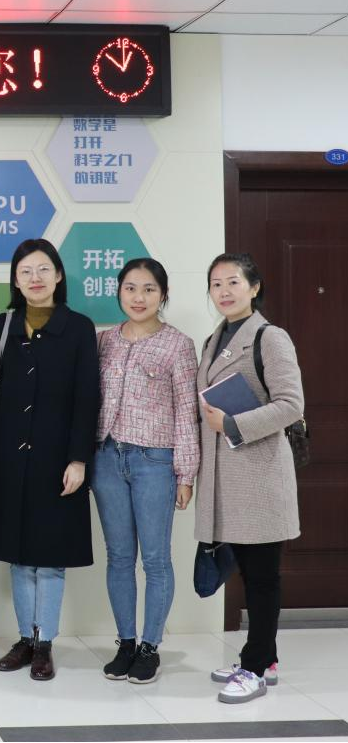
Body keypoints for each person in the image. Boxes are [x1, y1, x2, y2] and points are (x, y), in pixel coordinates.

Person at [0, 238, 98, 681]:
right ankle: (24, 639)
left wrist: (78, 459)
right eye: (25, 271)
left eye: (43, 269)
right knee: (19, 554)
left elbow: (87, 397)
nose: (35, 278)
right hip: (9, 458)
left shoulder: (79, 327)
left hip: (57, 458)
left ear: (59, 275)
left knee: (50, 557)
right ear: (15, 280)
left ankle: (45, 642)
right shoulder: (4, 325)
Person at [196, 253, 303, 705]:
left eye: (233, 282)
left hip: (259, 476)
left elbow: (291, 405)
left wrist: (232, 424)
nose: (224, 291)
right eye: (216, 284)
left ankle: (255, 669)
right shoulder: (215, 338)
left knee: (261, 577)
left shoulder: (269, 337)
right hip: (227, 477)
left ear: (254, 287)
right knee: (247, 573)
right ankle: (265, 658)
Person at [91, 258, 198, 684]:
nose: (139, 297)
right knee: (119, 557)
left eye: (149, 289)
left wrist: (185, 473)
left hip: (155, 461)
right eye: (131, 288)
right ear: (118, 292)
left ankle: (150, 646)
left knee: (155, 559)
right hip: (106, 459)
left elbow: (187, 412)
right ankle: (126, 643)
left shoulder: (179, 345)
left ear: (163, 295)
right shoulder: (103, 342)